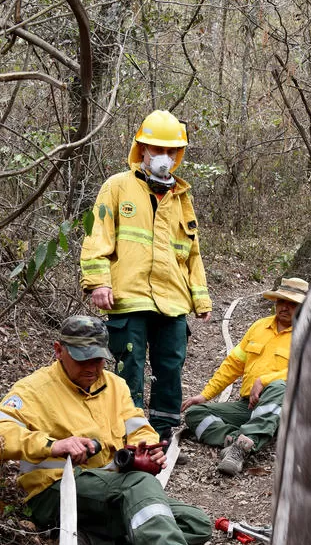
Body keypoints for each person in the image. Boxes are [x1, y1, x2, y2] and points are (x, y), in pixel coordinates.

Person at [0, 316, 228, 545]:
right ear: (59, 350)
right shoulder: (33, 390)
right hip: (55, 491)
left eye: (99, 359)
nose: (93, 368)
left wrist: (146, 445)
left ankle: (93, 542)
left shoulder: (115, 385)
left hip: (109, 488)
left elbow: (135, 423)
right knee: (138, 486)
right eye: (84, 360)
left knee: (197, 524)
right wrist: (51, 445)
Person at [80, 110, 213, 439]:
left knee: (170, 367)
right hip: (129, 297)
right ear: (142, 149)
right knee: (131, 367)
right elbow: (97, 235)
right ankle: (130, 432)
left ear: (177, 155)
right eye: (157, 150)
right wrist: (99, 282)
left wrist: (200, 296)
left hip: (173, 301)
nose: (163, 157)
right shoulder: (117, 187)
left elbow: (191, 253)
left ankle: (163, 434)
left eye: (170, 151)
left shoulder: (182, 198)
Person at [182, 278, 309, 475]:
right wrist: (205, 395)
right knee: (195, 414)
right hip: (248, 405)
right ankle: (237, 438)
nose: (285, 307)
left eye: (292, 303)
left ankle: (240, 451)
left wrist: (265, 380)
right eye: (281, 301)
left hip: (289, 407)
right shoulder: (259, 327)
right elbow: (233, 364)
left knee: (278, 387)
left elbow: (307, 371)